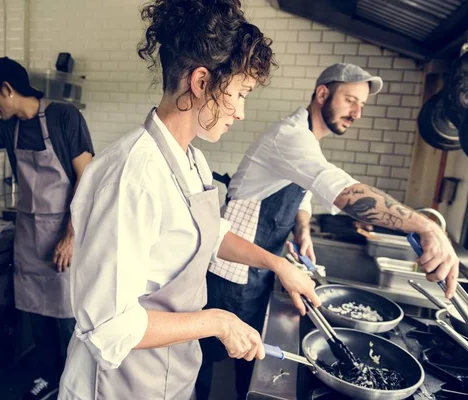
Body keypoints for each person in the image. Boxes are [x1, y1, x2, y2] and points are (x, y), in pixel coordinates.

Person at [57, 1, 320, 399]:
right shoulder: (132, 176)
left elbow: (212, 235)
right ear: (201, 82)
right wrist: (217, 321)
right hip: (118, 385)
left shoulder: (190, 159)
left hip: (170, 373)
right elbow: (109, 326)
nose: (242, 112)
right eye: (241, 93)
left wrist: (277, 263)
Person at [197, 63, 461, 399]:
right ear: (323, 93)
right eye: (350, 100)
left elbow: (302, 192)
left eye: (361, 105)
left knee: (247, 355)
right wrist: (426, 227)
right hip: (228, 271)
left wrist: (302, 231)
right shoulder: (290, 136)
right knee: (207, 357)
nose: (356, 112)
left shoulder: (306, 138)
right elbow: (344, 192)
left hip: (257, 268)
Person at [0, 57, 94, 400]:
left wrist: (70, 237)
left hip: (64, 234)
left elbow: (86, 180)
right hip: (29, 238)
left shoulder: (63, 117)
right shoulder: (7, 127)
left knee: (67, 320)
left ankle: (78, 386)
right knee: (37, 316)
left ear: (8, 89)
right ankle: (49, 379)